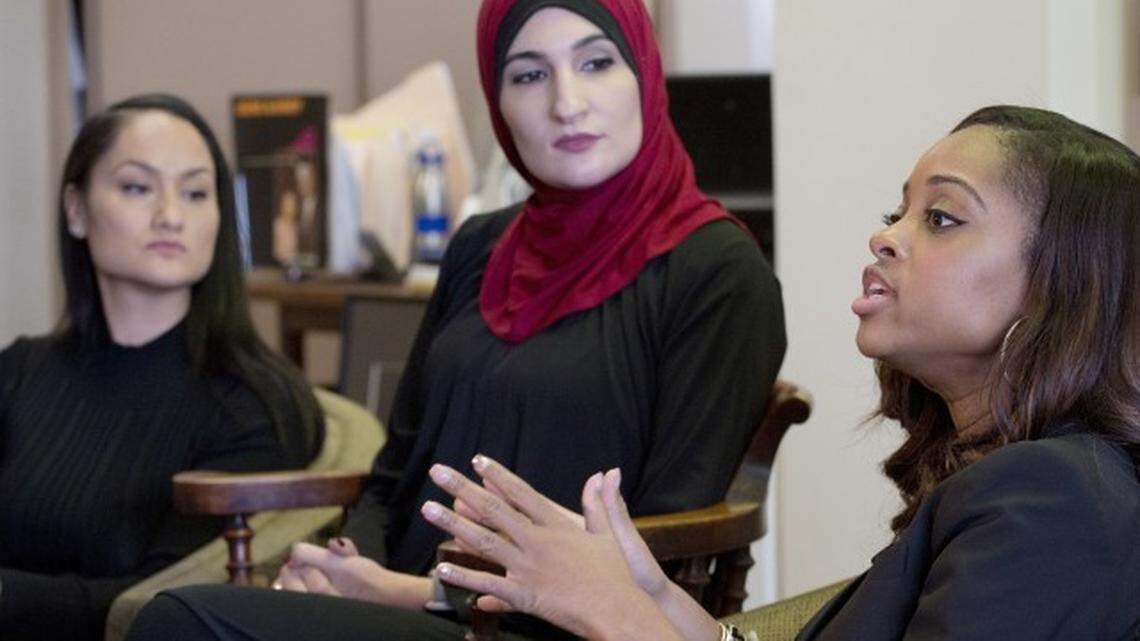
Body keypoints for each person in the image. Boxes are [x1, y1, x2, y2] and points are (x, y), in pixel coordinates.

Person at [123, 0, 785, 638]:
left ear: (643, 73)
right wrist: (347, 563)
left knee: (177, 620)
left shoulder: (718, 273)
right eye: (529, 74)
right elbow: (397, 469)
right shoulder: (479, 248)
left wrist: (411, 591)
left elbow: (658, 554)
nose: (566, 102)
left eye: (596, 62)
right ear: (497, 104)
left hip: (541, 627)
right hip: (404, 603)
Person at [420, 105, 1140, 640]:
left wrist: (609, 607)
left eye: (942, 218)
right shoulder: (1022, 479)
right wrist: (651, 593)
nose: (885, 236)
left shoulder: (1056, 500)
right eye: (899, 210)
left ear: (1061, 286)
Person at [0, 94, 324, 641]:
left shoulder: (252, 404)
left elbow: (168, 610)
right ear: (76, 210)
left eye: (196, 192)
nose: (170, 215)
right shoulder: (21, 371)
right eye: (137, 187)